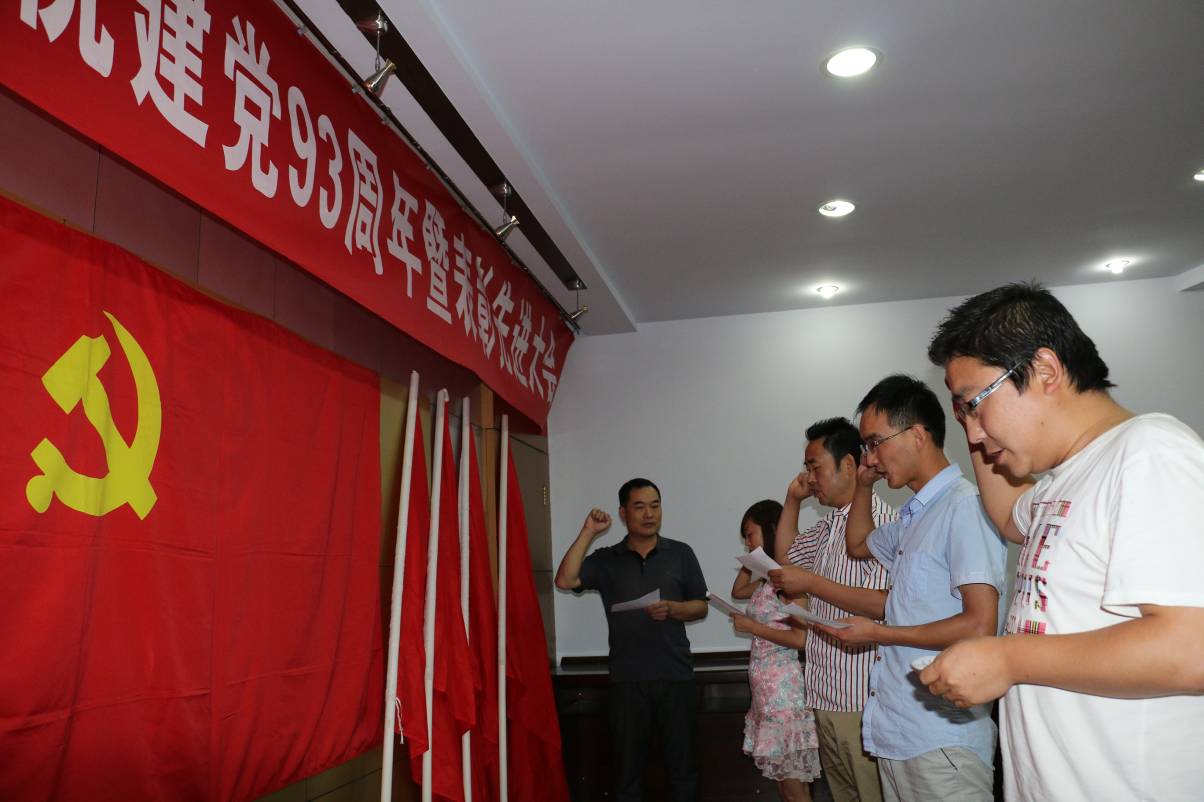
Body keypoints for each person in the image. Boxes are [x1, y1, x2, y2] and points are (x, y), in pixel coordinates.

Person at [922, 282, 1204, 802]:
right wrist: (973, 418)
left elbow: (1193, 648)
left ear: (1045, 371)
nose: (974, 432)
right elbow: (1009, 516)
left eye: (976, 403)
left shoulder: (1149, 451)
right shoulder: (1066, 477)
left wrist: (1009, 659)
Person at [779, 376, 1006, 802]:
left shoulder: (963, 506)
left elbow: (979, 624)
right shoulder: (912, 517)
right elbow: (858, 544)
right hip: (897, 730)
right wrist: (864, 485)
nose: (870, 457)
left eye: (875, 443)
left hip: (942, 738)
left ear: (917, 435)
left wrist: (880, 633)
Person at [554, 478, 708, 802]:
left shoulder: (681, 553)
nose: (649, 514)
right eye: (639, 507)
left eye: (655, 506)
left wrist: (674, 608)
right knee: (627, 775)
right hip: (627, 680)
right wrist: (588, 532)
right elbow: (565, 579)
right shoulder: (607, 558)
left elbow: (701, 606)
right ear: (623, 513)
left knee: (683, 772)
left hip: (675, 677)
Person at [765, 417, 895, 802]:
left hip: (862, 699)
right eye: (806, 468)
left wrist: (811, 584)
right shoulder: (828, 526)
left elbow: (885, 603)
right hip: (824, 692)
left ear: (849, 465)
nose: (809, 478)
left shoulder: (883, 524)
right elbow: (787, 560)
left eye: (815, 467)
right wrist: (792, 500)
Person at [729, 499, 821, 802]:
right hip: (766, 695)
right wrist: (752, 560)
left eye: (750, 534)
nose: (746, 541)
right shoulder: (768, 578)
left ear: (770, 530)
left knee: (794, 788)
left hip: (784, 693)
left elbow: (801, 638)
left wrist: (753, 627)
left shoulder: (787, 580)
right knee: (785, 787)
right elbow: (737, 591)